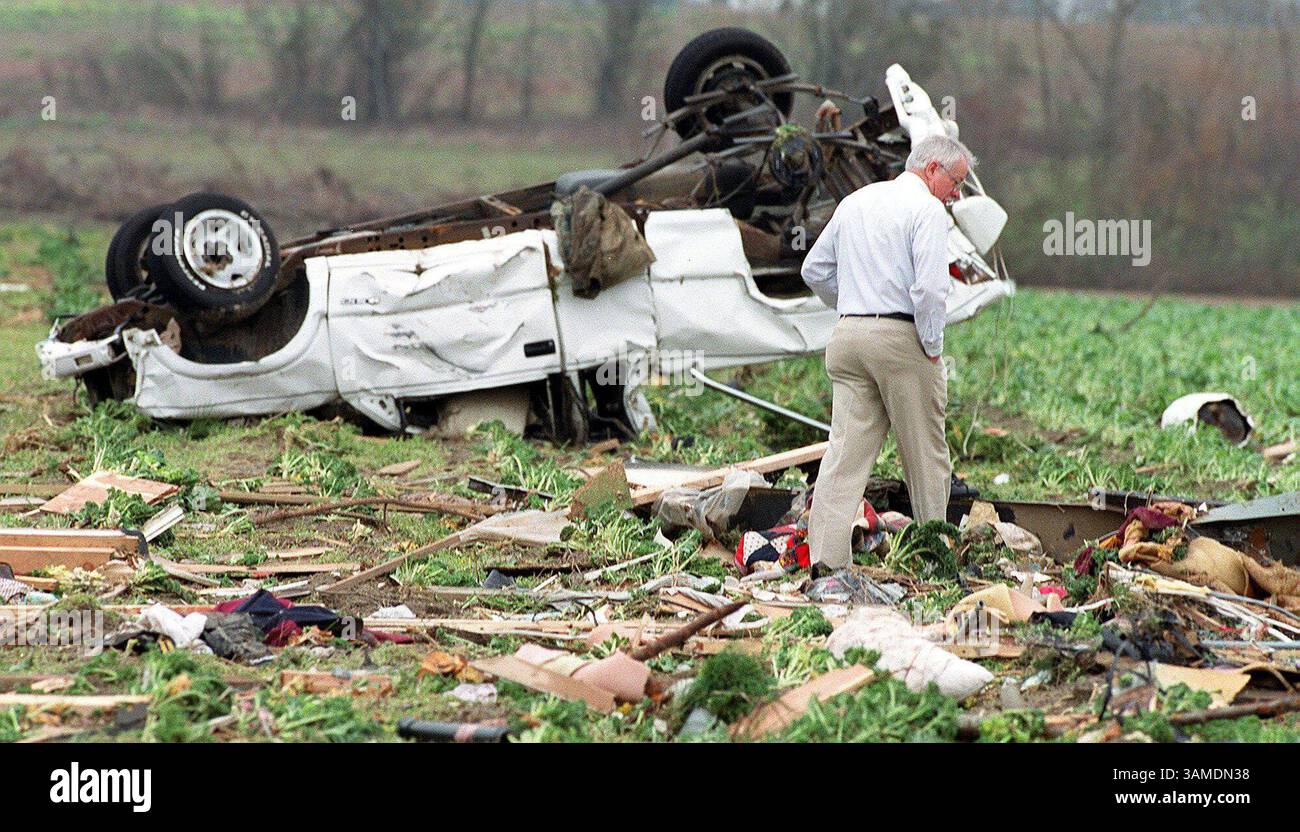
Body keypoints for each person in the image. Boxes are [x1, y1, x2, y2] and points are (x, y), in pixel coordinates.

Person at [800, 133, 975, 577]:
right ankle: (934, 560)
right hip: (899, 340)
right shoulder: (926, 211)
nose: (956, 194)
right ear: (931, 169)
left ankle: (825, 562)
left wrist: (854, 303)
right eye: (955, 182)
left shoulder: (856, 201)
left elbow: (813, 270)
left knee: (844, 455)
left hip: (848, 337)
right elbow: (931, 290)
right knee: (926, 455)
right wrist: (932, 347)